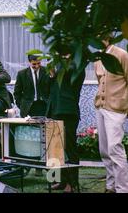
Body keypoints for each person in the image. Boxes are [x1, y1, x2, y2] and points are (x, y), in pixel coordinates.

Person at [94, 35, 128, 193]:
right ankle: (111, 186)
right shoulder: (98, 58)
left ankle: (122, 189)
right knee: (104, 150)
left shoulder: (122, 55)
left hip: (116, 109)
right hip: (101, 107)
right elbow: (100, 81)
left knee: (115, 149)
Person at [47, 64, 85, 193]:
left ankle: (72, 183)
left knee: (69, 148)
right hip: (54, 108)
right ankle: (57, 180)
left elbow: (72, 82)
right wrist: (52, 75)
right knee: (53, 148)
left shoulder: (76, 64)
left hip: (67, 110)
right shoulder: (57, 64)